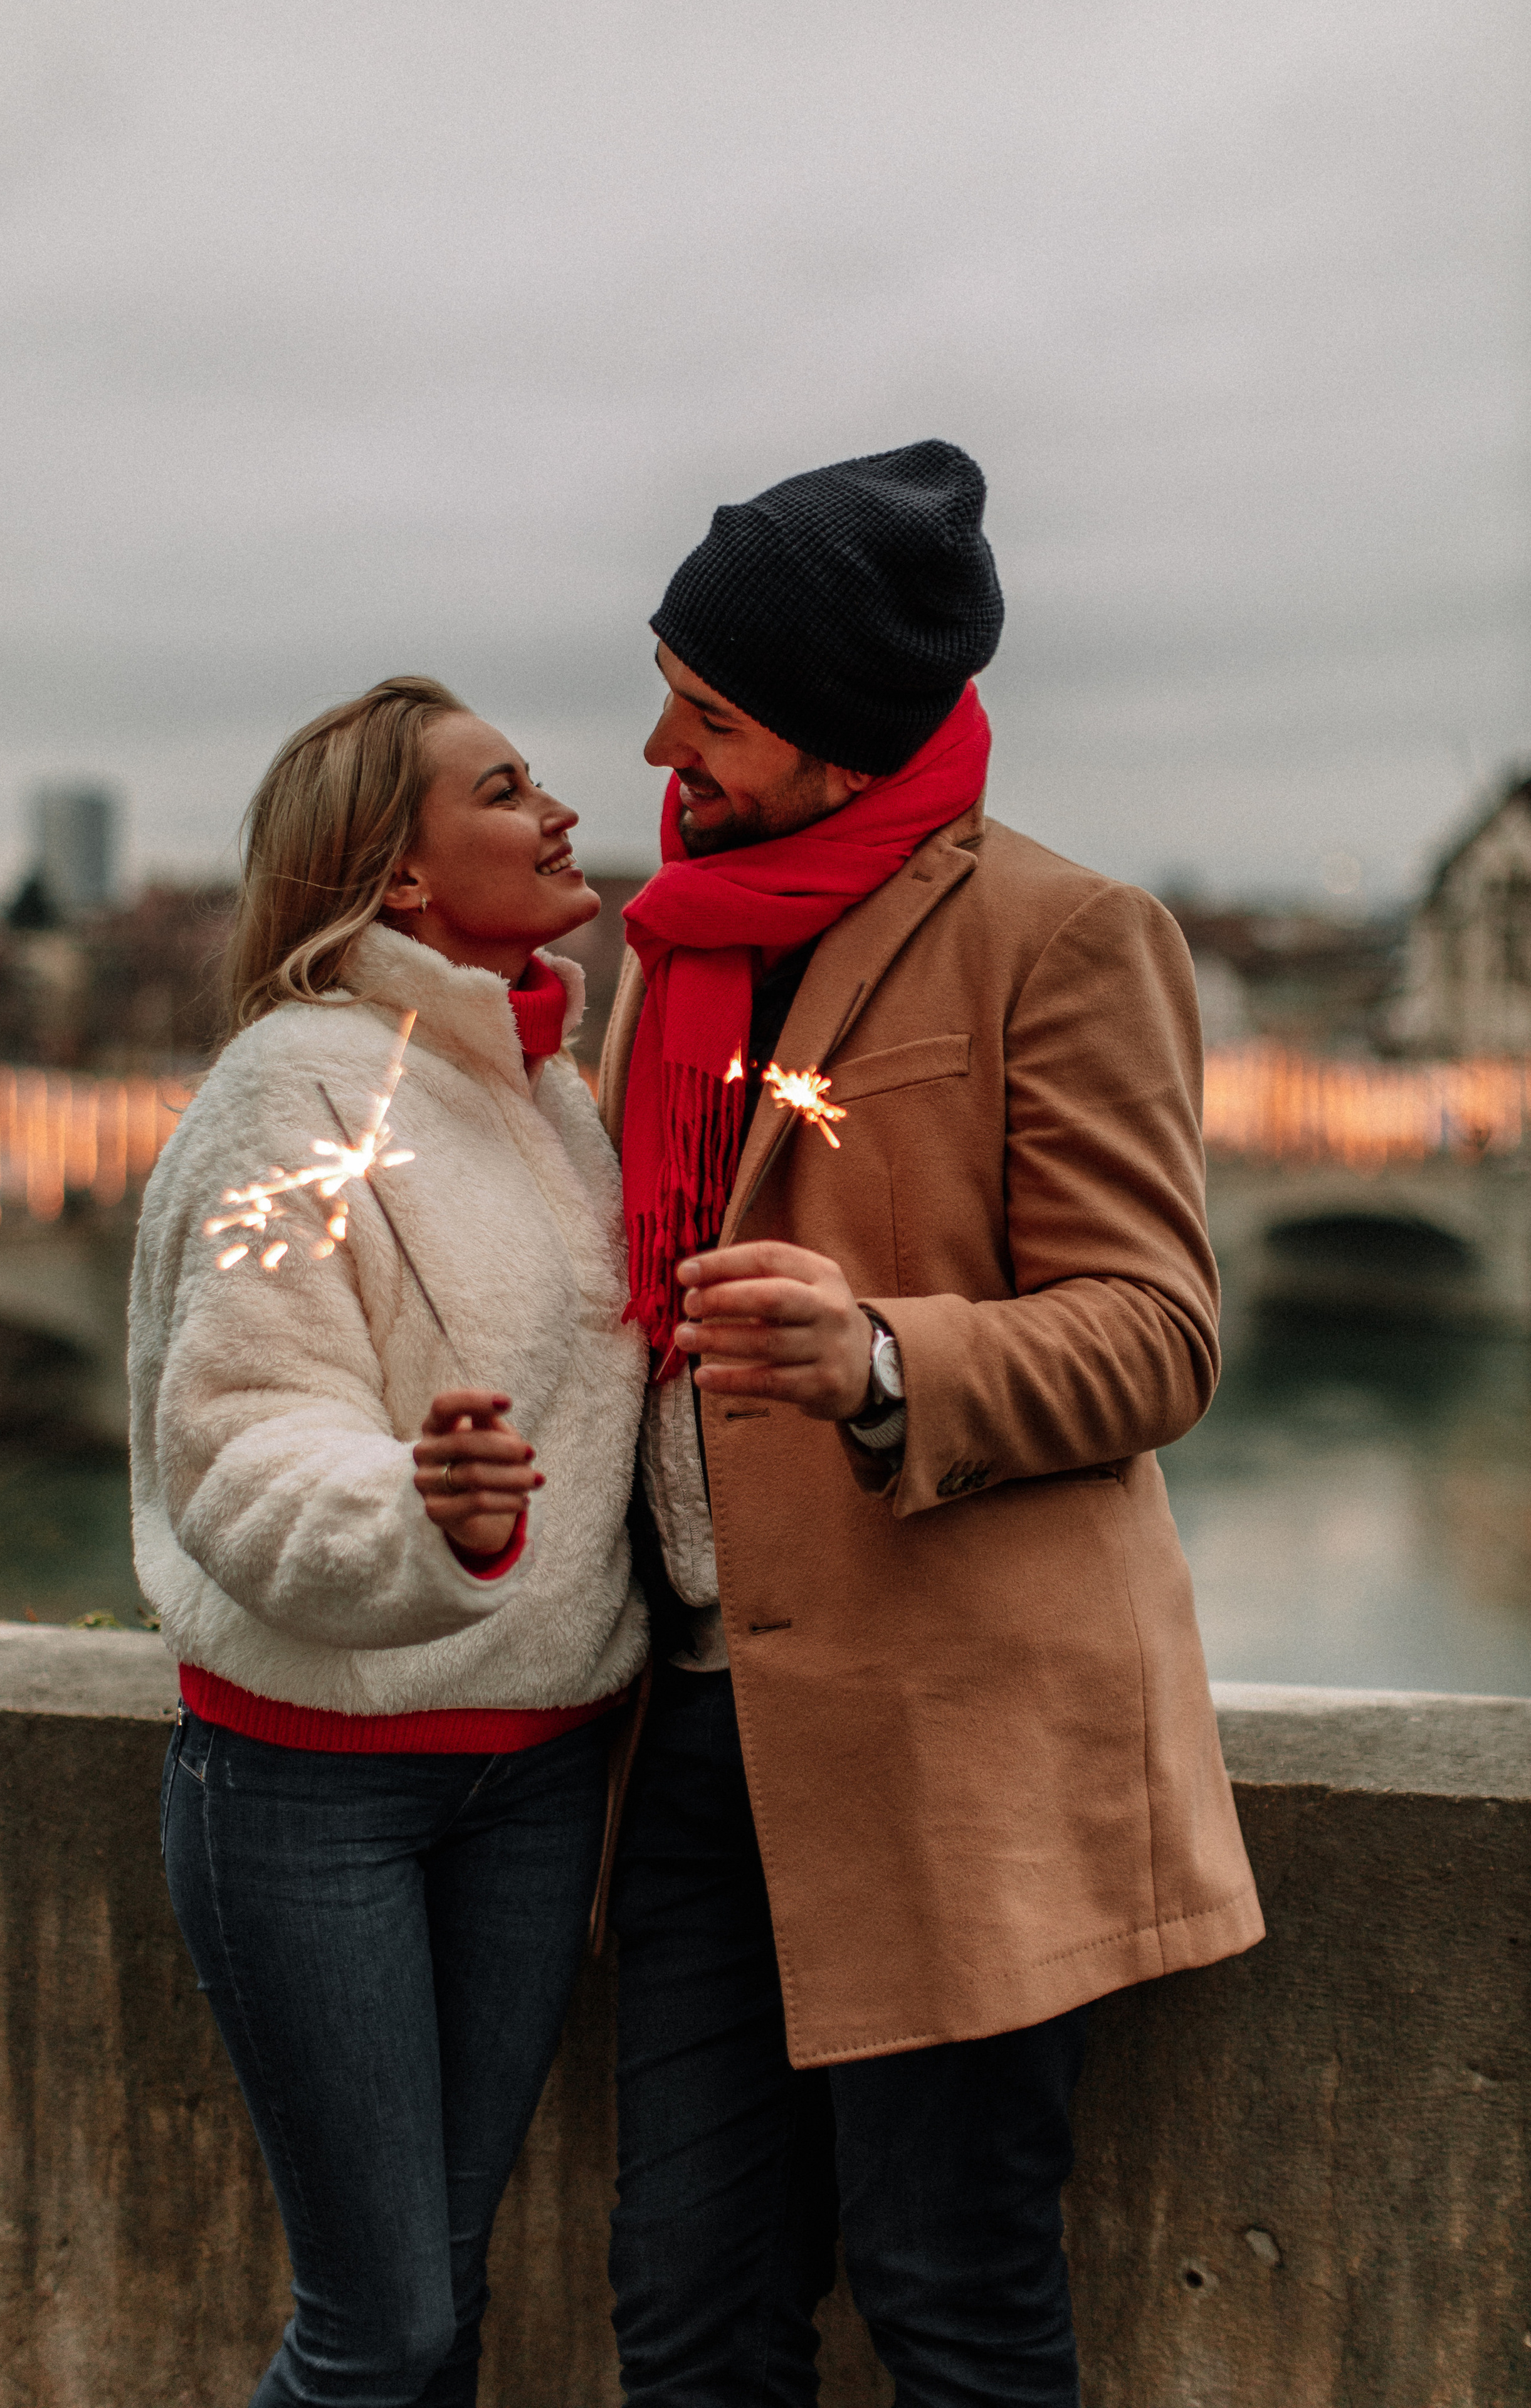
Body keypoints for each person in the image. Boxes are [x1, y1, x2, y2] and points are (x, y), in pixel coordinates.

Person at [598, 442, 1264, 2407]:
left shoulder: (1064, 936)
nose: (662, 742)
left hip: (945, 1748)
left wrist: (887, 1359)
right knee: (687, 2319)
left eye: (707, 709)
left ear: (835, 731)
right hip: (702, 1736)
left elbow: (1157, 1334)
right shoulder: (678, 940)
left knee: (951, 2309)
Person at [132, 675, 648, 2408]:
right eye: (505, 790)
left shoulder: (541, 1086)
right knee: (386, 2331)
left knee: (448, 2295)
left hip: (541, 1764)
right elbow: (236, 1423)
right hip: (311, 1781)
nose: (561, 811)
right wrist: (415, 1511)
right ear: (402, 880)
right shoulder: (293, 1093)